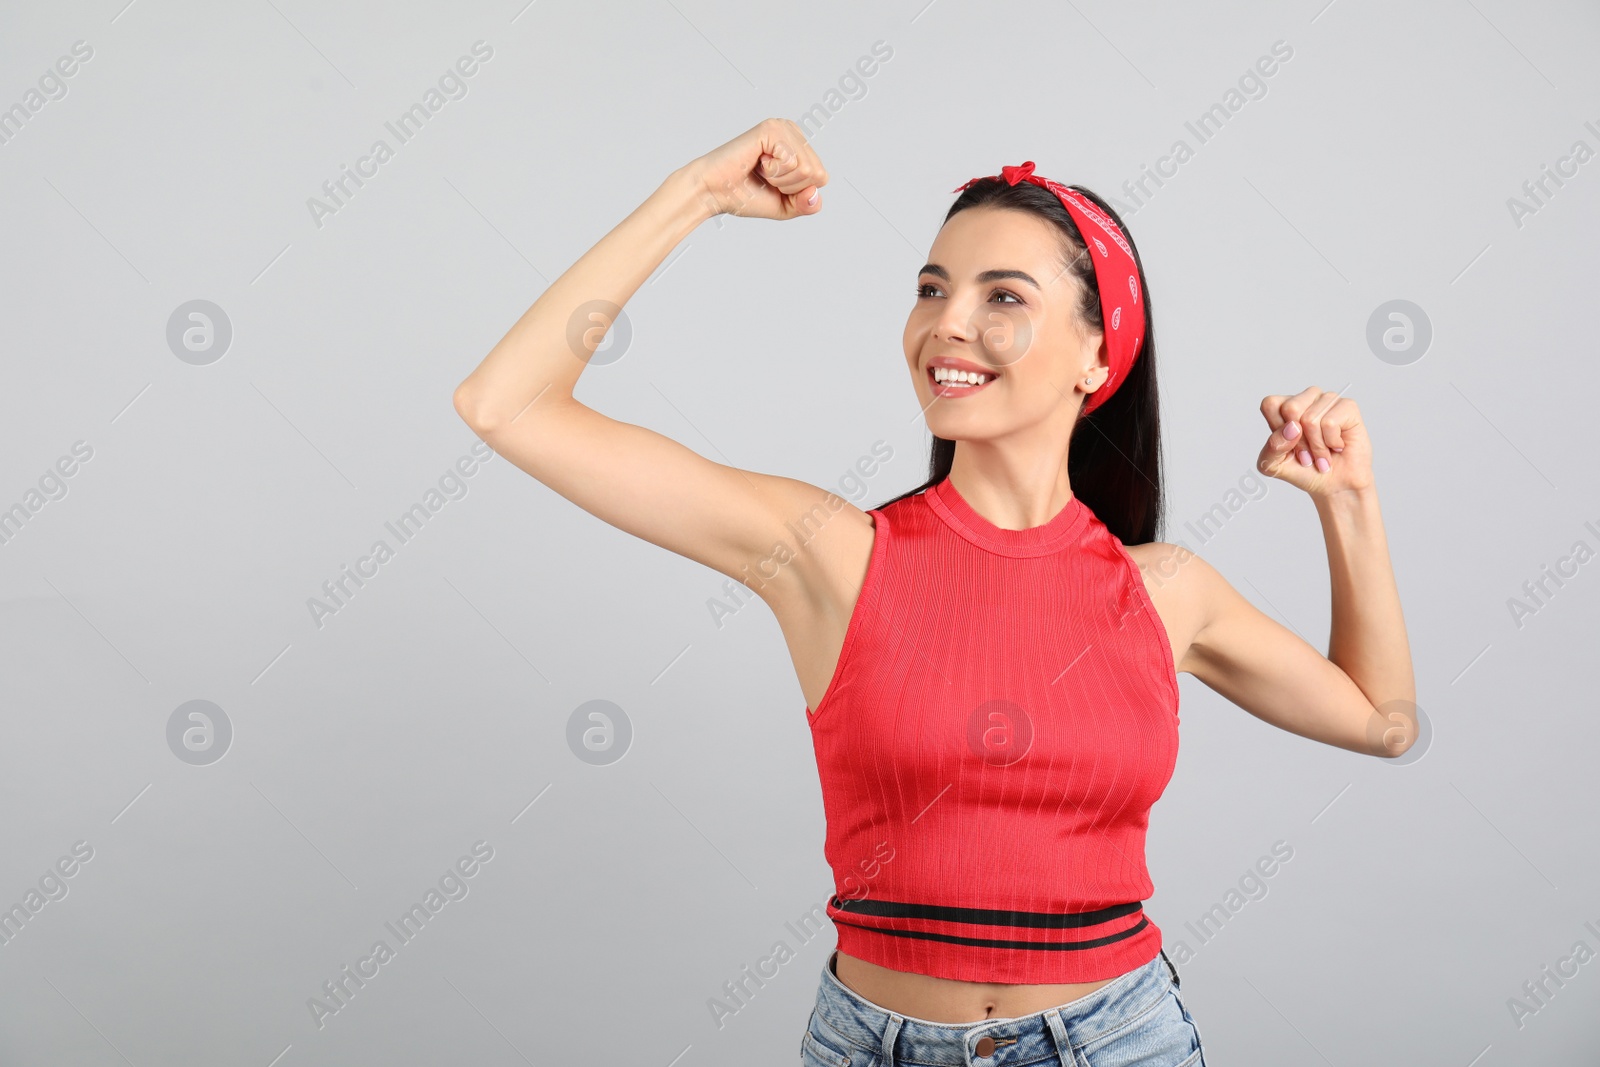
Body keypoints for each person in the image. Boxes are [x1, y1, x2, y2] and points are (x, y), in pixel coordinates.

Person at [452, 118, 1418, 1067]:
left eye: (1003, 295)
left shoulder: (1163, 592)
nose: (947, 322)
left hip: (1115, 1040)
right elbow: (508, 404)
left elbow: (1383, 721)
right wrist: (696, 193)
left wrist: (1350, 500)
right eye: (931, 289)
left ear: (1099, 355)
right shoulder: (830, 554)